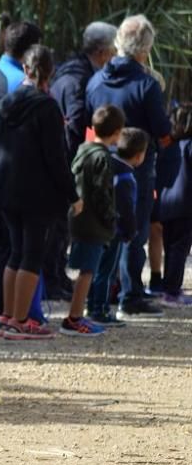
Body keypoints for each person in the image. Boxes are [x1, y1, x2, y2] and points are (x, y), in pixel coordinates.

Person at [0, 45, 80, 341]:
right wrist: (72, 194)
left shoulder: (6, 102)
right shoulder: (46, 106)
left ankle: (6, 315)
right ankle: (20, 319)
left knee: (15, 251)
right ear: (50, 72)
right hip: (35, 192)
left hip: (6, 187)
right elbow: (57, 157)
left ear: (25, 68)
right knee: (32, 254)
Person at [86, 15, 172, 317]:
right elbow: (163, 131)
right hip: (137, 166)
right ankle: (130, 294)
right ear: (145, 49)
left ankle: (101, 293)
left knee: (102, 229)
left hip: (99, 165)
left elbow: (89, 121)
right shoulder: (147, 85)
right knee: (132, 231)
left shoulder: (95, 80)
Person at [0, 20, 42, 327]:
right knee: (14, 247)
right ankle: (14, 312)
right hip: (10, 175)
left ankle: (0, 311)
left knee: (0, 247)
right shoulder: (21, 83)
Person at [46, 21, 117, 298]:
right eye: (112, 51)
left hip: (60, 160)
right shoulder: (79, 79)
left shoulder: (68, 71)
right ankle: (53, 280)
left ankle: (56, 277)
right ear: (102, 52)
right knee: (59, 227)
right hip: (66, 162)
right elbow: (75, 122)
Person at [64, 105, 126, 337]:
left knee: (85, 269)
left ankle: (78, 314)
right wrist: (111, 219)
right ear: (117, 132)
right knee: (87, 271)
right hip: (94, 223)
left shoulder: (83, 150)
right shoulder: (102, 158)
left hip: (80, 219)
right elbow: (102, 193)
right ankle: (74, 318)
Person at [88, 127, 147, 325]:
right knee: (107, 272)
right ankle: (100, 309)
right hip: (115, 230)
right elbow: (127, 210)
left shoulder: (108, 165)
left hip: (99, 225)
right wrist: (131, 231)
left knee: (96, 268)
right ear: (139, 156)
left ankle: (92, 303)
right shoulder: (127, 177)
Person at [159, 109, 192, 306]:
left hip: (165, 200)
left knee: (169, 245)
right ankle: (172, 289)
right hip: (185, 202)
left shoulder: (168, 145)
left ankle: (168, 285)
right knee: (180, 247)